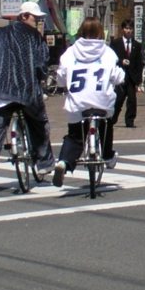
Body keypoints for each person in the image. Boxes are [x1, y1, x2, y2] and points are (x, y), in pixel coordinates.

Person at [0, 2, 55, 193]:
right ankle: (43, 163)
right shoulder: (35, 38)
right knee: (39, 122)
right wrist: (41, 78)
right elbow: (42, 64)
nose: (38, 22)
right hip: (25, 90)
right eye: (36, 18)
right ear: (24, 16)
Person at [53, 17, 125, 188]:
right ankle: (107, 155)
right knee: (106, 123)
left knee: (76, 136)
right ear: (101, 32)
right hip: (101, 101)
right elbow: (117, 76)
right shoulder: (107, 52)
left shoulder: (70, 52)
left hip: (77, 102)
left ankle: (64, 162)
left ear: (81, 32)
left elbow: (61, 79)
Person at [109, 18, 144, 128]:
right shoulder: (116, 43)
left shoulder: (137, 45)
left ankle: (130, 121)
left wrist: (139, 78)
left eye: (130, 29)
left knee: (132, 101)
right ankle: (112, 119)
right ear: (122, 30)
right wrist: (121, 61)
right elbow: (111, 59)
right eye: (126, 28)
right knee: (119, 99)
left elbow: (139, 62)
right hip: (120, 75)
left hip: (132, 77)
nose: (128, 31)